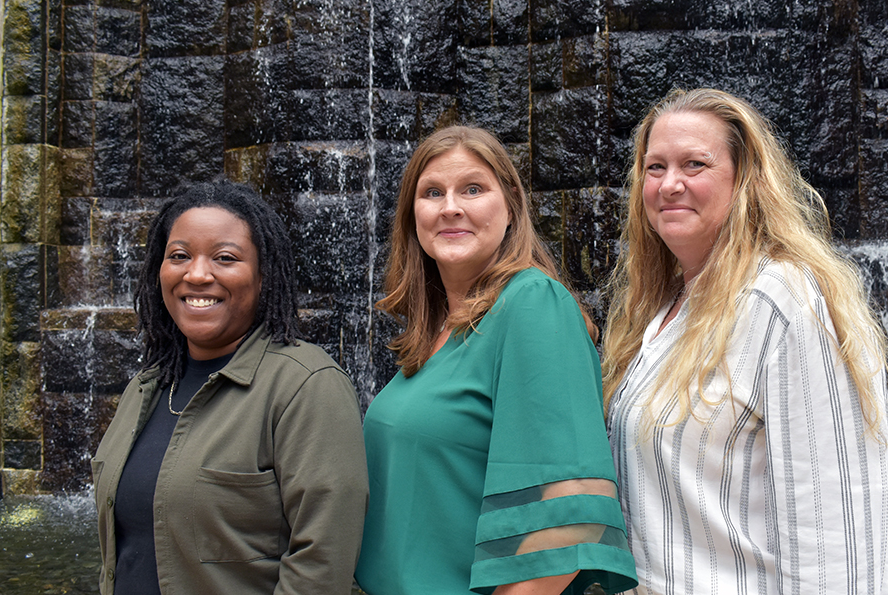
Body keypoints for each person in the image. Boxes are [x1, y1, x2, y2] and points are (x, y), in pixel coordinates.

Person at [601, 89, 888, 594]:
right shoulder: (660, 311)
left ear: (745, 180)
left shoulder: (783, 301)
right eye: (655, 167)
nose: (670, 184)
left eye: (695, 164)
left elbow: (836, 535)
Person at [356, 126, 637, 595]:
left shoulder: (532, 304)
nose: (450, 207)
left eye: (472, 188)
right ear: (413, 216)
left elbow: (569, 511)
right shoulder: (436, 334)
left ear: (510, 205)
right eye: (432, 193)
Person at [92, 181, 368, 595]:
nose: (197, 274)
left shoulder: (305, 385)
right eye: (179, 256)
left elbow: (321, 565)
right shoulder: (147, 385)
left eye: (225, 258)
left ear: (263, 276)